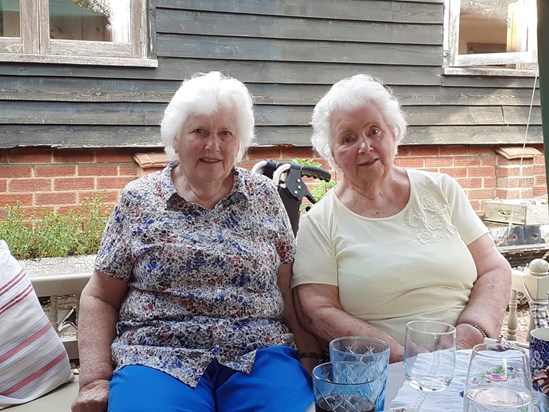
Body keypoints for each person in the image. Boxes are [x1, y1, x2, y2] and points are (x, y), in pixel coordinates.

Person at [71, 71, 320, 412]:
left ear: (239, 142)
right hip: (158, 356)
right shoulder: (139, 199)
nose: (212, 145)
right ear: (176, 138)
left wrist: (307, 352)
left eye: (225, 133)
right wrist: (95, 379)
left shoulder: (263, 196)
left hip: (259, 353)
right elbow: (100, 295)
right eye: (199, 131)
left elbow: (285, 285)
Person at [291, 73, 512, 363]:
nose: (364, 147)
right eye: (348, 138)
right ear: (332, 153)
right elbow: (317, 310)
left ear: (394, 133)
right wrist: (397, 354)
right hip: (382, 366)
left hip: (469, 355)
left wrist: (471, 333)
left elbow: (495, 269)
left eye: (374, 131)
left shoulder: (441, 189)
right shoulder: (319, 222)